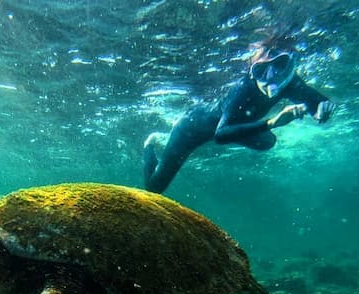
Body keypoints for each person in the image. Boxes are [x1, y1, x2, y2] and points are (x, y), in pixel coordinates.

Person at [143, 39, 336, 194]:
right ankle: (150, 144)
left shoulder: (290, 83)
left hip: (231, 126)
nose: (269, 78)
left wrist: (320, 111)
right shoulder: (243, 89)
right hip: (191, 129)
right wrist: (272, 122)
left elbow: (315, 100)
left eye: (278, 66)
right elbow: (221, 135)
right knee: (155, 188)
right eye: (260, 70)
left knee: (267, 142)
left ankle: (177, 145)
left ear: (290, 67)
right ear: (252, 70)